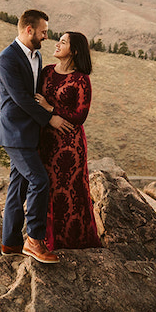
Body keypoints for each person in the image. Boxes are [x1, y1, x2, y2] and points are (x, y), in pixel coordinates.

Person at [0, 9, 73, 264]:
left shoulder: (36, 57)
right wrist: (50, 118)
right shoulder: (7, 58)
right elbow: (20, 99)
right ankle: (34, 241)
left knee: (18, 187)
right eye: (43, 32)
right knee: (40, 180)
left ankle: (10, 243)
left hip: (30, 133)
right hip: (14, 133)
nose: (46, 37)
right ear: (29, 30)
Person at [34, 31, 102, 251]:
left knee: (69, 192)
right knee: (46, 190)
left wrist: (51, 109)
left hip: (69, 146)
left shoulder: (81, 79)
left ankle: (72, 242)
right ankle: (44, 240)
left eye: (62, 42)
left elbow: (80, 115)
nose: (57, 44)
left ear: (73, 51)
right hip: (45, 141)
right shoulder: (46, 72)